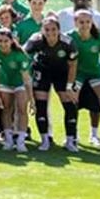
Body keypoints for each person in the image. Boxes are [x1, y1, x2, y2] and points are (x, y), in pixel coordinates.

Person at [23, 16, 79, 152]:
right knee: (41, 106)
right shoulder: (35, 40)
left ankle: (70, 141)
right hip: (42, 72)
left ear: (59, 30)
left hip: (62, 73)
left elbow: (73, 64)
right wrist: (26, 74)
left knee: (70, 105)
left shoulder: (67, 42)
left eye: (53, 29)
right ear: (42, 30)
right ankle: (45, 140)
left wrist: (69, 86)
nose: (50, 33)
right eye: (47, 29)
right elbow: (22, 53)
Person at [68, 9, 100, 152]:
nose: (85, 25)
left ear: (92, 22)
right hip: (78, 75)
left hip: (96, 73)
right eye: (81, 22)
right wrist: (70, 85)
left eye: (88, 22)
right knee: (71, 101)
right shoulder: (69, 37)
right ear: (75, 22)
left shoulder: (99, 36)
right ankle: (72, 136)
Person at [0, 28, 32, 153]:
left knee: (22, 109)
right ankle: (8, 140)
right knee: (6, 109)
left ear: (11, 41)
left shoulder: (20, 54)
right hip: (5, 83)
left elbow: (26, 78)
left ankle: (20, 141)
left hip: (20, 83)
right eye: (0, 41)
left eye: (6, 41)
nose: (3, 44)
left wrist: (31, 98)